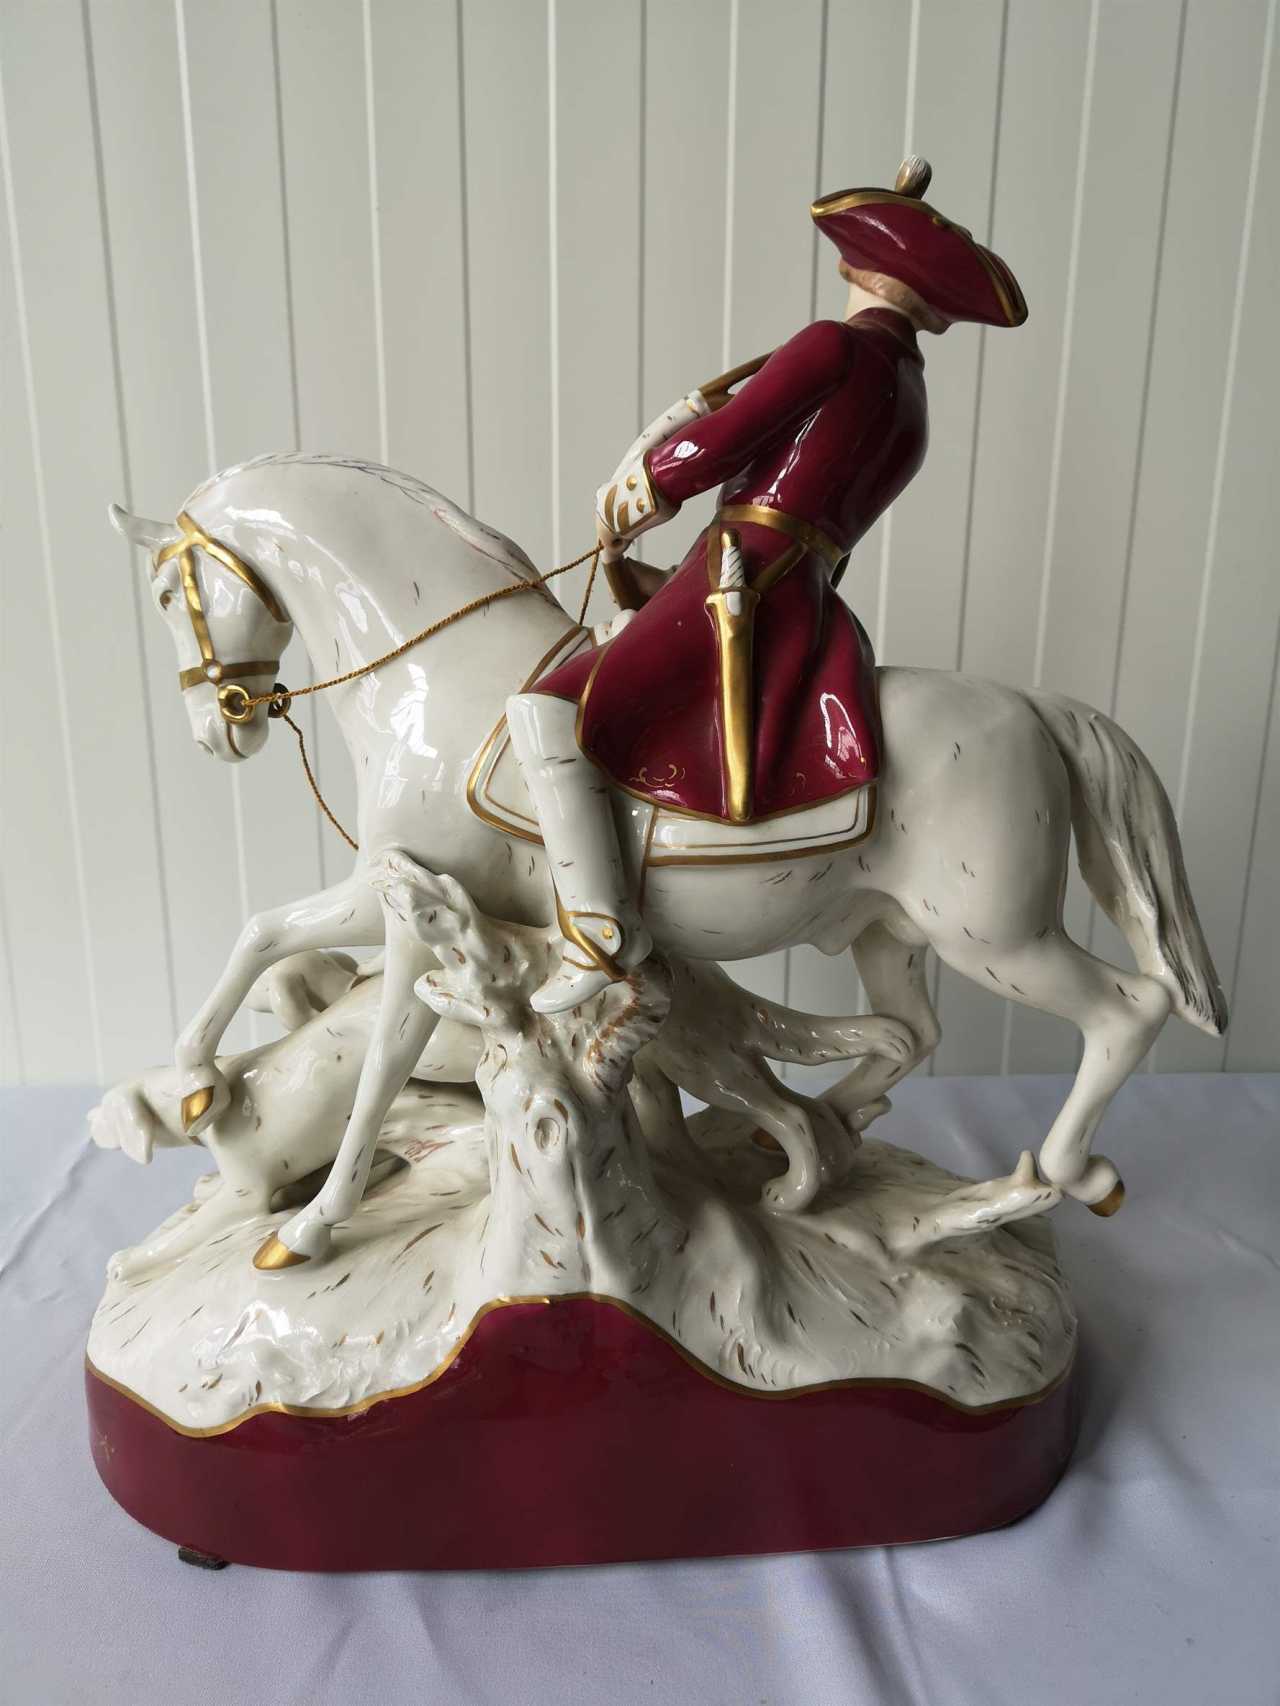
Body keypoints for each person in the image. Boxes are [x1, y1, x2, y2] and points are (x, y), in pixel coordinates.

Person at [507, 156, 1027, 1013]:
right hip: (801, 588)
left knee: (545, 710)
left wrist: (639, 488)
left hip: (741, 570)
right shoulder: (911, 398)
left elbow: (723, 442)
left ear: (863, 265)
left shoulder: (832, 345)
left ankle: (596, 931)